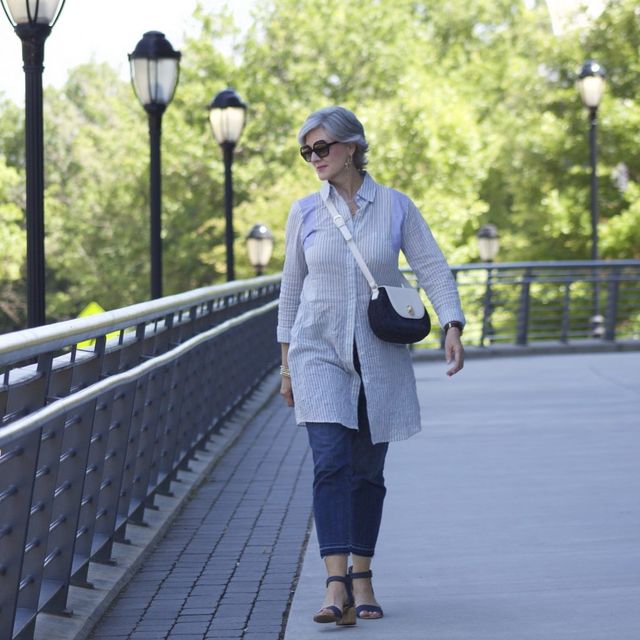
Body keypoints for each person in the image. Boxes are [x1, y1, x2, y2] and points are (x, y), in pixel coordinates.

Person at [277, 106, 465, 626]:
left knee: (368, 473)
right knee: (331, 462)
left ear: (352, 148)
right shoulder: (304, 213)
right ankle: (335, 582)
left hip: (378, 357)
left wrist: (452, 323)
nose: (314, 158)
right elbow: (291, 287)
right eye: (307, 151)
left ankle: (363, 573)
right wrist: (287, 364)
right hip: (317, 352)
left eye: (322, 148)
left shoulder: (396, 207)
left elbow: (430, 264)